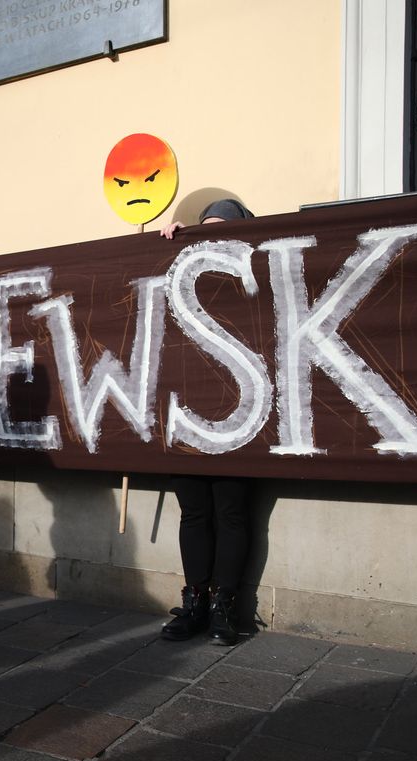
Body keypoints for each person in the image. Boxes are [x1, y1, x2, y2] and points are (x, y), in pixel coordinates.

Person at [158, 198, 256, 644]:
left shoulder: (252, 271)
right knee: (194, 511)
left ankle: (225, 606)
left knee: (231, 511)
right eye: (205, 230)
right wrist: (172, 243)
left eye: (221, 230)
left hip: (242, 412)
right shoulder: (183, 272)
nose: (211, 238)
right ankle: (197, 599)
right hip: (190, 413)